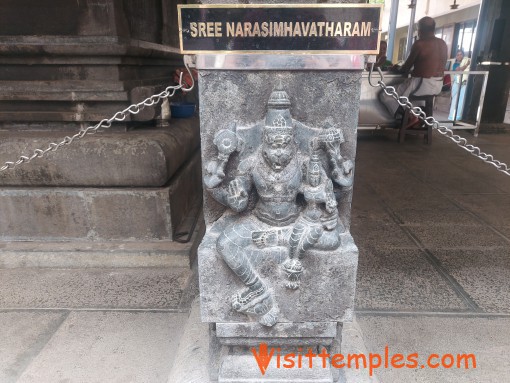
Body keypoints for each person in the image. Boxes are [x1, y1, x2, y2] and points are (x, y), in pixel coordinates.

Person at [380, 17, 448, 128]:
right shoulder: (442, 43)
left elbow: (405, 68)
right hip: (437, 85)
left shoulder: (420, 44)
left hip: (422, 84)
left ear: (420, 30)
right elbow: (429, 65)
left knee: (386, 94)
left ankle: (410, 117)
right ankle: (418, 117)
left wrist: (396, 68)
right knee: (412, 98)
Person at [448, 49, 471, 121]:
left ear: (463, 55)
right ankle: (452, 117)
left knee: (461, 101)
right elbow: (460, 70)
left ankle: (458, 117)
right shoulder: (455, 64)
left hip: (464, 83)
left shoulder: (466, 61)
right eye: (458, 55)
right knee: (455, 100)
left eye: (461, 54)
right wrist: (467, 64)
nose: (459, 56)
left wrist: (467, 64)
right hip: (457, 84)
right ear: (456, 56)